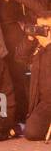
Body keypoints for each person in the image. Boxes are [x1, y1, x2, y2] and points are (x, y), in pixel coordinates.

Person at [22, 14, 51, 142]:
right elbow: (19, 58)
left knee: (33, 131)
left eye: (45, 27)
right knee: (31, 131)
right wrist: (30, 39)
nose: (41, 31)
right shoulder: (38, 45)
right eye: (38, 27)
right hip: (41, 102)